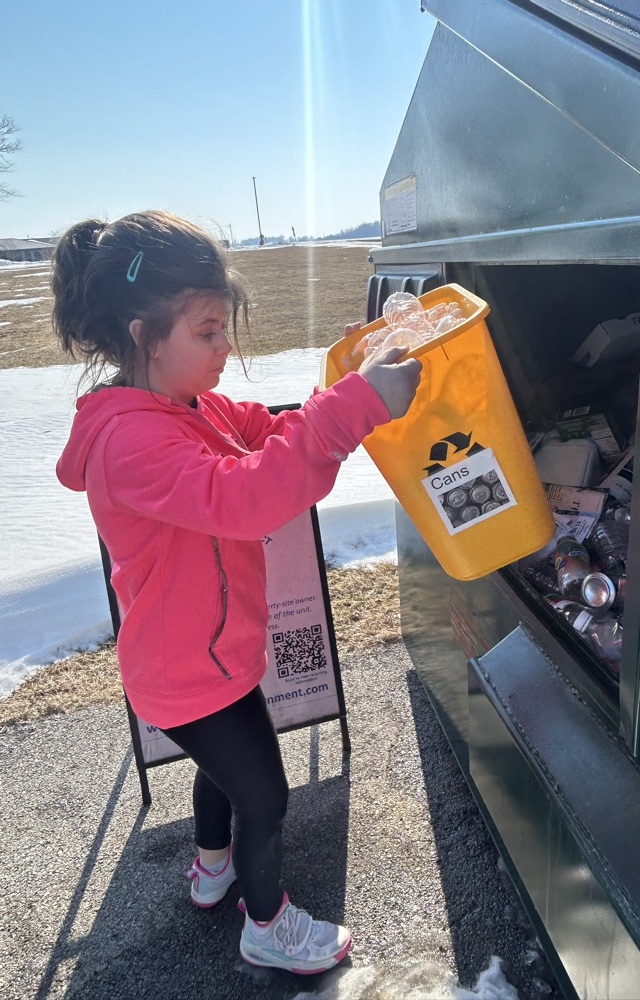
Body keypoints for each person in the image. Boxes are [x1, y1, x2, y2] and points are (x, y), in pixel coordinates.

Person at [53, 210, 422, 974]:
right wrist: (352, 411)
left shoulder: (191, 406)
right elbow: (248, 496)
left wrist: (350, 392)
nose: (227, 349)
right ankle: (268, 925)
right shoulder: (130, 442)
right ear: (144, 336)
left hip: (213, 655)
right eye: (209, 332)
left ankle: (213, 869)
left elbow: (262, 428)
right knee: (267, 799)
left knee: (223, 772)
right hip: (185, 672)